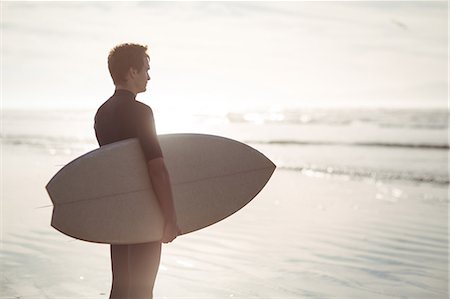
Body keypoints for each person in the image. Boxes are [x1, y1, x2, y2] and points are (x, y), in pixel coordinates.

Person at [94, 43, 180, 299]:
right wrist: (170, 217)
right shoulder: (141, 112)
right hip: (144, 213)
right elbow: (157, 168)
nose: (149, 76)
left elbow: (112, 168)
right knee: (143, 290)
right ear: (132, 71)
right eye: (146, 69)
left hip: (119, 211)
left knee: (120, 286)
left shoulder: (102, 113)